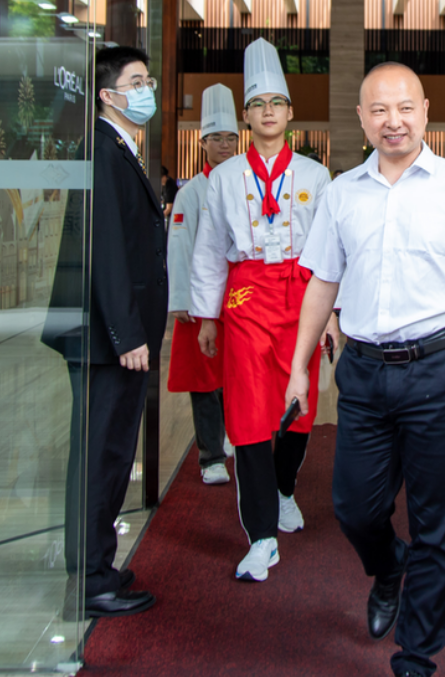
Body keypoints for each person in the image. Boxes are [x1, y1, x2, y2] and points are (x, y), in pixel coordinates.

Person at [286, 62, 445, 677]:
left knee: (436, 519)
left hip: (436, 368)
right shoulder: (341, 192)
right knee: (353, 507)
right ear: (362, 119)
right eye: (379, 110)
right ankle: (386, 566)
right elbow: (322, 281)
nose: (392, 121)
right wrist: (299, 368)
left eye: (404, 108)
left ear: (425, 110)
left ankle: (417, 655)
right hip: (364, 373)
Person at [190, 38, 336, 582]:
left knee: (298, 408)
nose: (268, 110)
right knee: (251, 415)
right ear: (248, 116)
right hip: (247, 295)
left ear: (290, 113)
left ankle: (283, 488)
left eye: (277, 101)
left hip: (303, 293)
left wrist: (334, 315)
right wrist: (208, 315)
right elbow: (208, 249)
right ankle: (262, 537)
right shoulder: (225, 179)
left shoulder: (316, 176)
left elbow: (332, 252)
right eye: (258, 104)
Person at [43, 45, 167, 619]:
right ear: (107, 95)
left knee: (110, 455)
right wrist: (127, 334)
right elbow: (105, 252)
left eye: (148, 80)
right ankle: (90, 577)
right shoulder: (100, 150)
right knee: (102, 457)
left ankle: (98, 563)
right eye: (137, 81)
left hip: (113, 338)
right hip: (106, 341)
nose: (147, 90)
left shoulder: (119, 148)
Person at [166, 84, 240, 485]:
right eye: (217, 138)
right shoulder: (191, 193)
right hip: (201, 300)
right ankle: (210, 456)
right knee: (204, 380)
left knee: (236, 374)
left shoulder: (245, 182)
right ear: (203, 142)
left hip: (241, 298)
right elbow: (178, 247)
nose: (225, 145)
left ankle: (230, 435)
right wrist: (181, 298)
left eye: (231, 138)